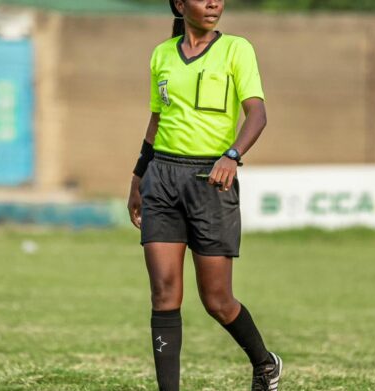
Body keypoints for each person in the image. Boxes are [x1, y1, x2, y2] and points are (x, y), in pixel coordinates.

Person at [126, 1, 282, 390]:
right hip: (161, 178)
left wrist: (232, 155)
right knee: (164, 293)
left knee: (217, 301)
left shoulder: (237, 50)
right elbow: (157, 119)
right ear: (180, 4)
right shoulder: (161, 54)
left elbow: (257, 115)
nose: (214, 2)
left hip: (211, 181)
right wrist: (137, 176)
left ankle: (265, 363)